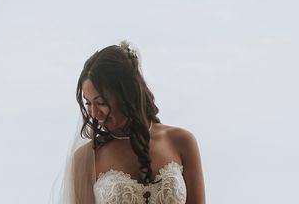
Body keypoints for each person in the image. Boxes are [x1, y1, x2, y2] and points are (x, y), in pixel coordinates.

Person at [58, 41, 205, 204]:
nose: (93, 113)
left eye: (100, 102)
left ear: (127, 94)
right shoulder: (86, 159)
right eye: (88, 103)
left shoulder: (182, 142)